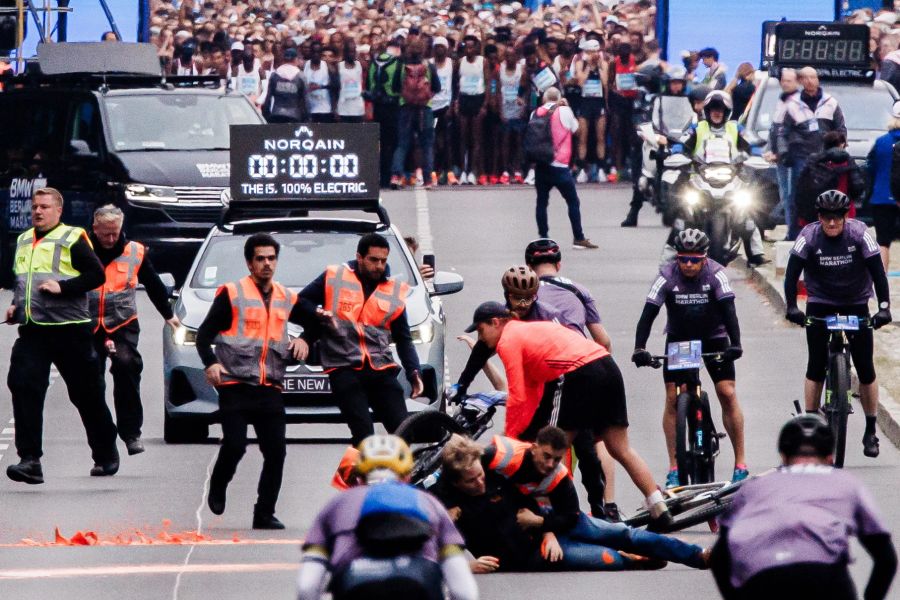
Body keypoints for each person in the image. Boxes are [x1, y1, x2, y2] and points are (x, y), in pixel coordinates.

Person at [463, 302, 674, 528]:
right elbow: (533, 393)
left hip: (578, 373)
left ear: (496, 323)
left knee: (553, 446)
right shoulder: (527, 333)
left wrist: (511, 439)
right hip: (607, 366)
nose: (481, 338)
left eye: (481, 330)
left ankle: (563, 514)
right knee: (620, 448)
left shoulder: (508, 339)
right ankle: (659, 509)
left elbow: (517, 394)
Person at [435, 430, 712, 573]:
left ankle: (697, 556)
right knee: (609, 560)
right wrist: (465, 566)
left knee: (623, 534)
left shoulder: (505, 474)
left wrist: (546, 529)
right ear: (456, 482)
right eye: (471, 481)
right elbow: (428, 542)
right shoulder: (449, 503)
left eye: (481, 476)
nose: (480, 482)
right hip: (532, 557)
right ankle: (632, 560)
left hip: (559, 523)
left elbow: (552, 509)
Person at [710, 414, 897, 599]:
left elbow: (719, 558)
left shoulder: (753, 488)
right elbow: (886, 559)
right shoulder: (847, 484)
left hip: (764, 581)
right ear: (830, 458)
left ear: (783, 457)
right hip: (825, 581)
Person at [6, 188, 118, 484]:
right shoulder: (23, 239)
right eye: (34, 207)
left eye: (44, 207)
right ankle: (30, 460)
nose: (38, 212)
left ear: (58, 211)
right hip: (33, 330)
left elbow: (97, 275)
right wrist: (16, 306)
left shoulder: (72, 237)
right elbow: (22, 280)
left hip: (70, 331)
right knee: (23, 385)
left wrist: (63, 288)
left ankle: (105, 451)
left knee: (86, 394)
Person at [196, 233, 305, 529]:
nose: (267, 264)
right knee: (235, 444)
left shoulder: (285, 296)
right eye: (260, 259)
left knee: (276, 451)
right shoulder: (232, 294)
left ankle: (264, 512)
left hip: (270, 386)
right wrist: (211, 363)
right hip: (235, 385)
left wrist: (305, 340)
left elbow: (316, 321)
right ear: (249, 262)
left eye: (271, 258)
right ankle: (219, 483)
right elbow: (204, 337)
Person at [297, 434, 478, 600]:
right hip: (418, 583)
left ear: (359, 478)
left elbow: (307, 587)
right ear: (407, 476)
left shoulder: (337, 505)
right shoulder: (429, 503)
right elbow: (463, 591)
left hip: (356, 583)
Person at [632, 229, 748, 487]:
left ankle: (741, 463)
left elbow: (730, 311)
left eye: (695, 260)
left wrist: (736, 344)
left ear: (705, 258)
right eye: (683, 259)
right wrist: (640, 347)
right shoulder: (666, 276)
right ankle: (674, 468)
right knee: (673, 398)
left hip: (714, 337)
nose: (688, 265)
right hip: (680, 340)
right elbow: (648, 313)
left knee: (726, 392)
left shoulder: (717, 274)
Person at [784, 190, 892, 458]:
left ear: (846, 216)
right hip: (821, 301)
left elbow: (878, 273)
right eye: (826, 218)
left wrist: (884, 308)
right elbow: (790, 275)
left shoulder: (859, 234)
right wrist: (791, 306)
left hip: (855, 301)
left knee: (866, 368)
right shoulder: (808, 236)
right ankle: (810, 423)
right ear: (819, 217)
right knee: (815, 364)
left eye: (837, 218)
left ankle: (870, 430)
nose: (832, 224)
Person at [295, 233, 423, 454]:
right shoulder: (336, 277)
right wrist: (316, 317)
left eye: (383, 261)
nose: (379, 266)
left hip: (380, 367)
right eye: (373, 260)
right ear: (359, 257)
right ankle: (358, 482)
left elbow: (403, 339)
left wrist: (414, 372)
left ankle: (394, 480)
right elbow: (297, 305)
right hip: (344, 367)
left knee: (404, 432)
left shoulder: (393, 290)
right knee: (364, 435)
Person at [88, 205, 180, 456]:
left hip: (122, 323)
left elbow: (153, 283)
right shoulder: (80, 248)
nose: (109, 239)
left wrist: (169, 315)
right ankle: (102, 446)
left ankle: (131, 433)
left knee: (127, 365)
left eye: (114, 233)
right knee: (89, 381)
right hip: (88, 323)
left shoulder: (135, 251)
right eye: (104, 234)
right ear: (95, 229)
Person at [772, 67, 847, 240]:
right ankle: (795, 235)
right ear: (800, 81)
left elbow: (841, 128)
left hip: (827, 158)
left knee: (830, 196)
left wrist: (840, 150)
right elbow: (782, 132)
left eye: (813, 77)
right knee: (797, 197)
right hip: (801, 158)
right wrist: (784, 153)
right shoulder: (792, 105)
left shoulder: (831, 102)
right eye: (805, 78)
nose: (810, 81)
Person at [531, 87, 598, 250]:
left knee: (542, 202)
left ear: (544, 99)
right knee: (572, 201)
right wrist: (567, 107)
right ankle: (579, 237)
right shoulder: (565, 111)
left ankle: (543, 237)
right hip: (560, 166)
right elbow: (577, 130)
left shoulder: (535, 113)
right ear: (559, 98)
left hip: (541, 165)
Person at [390, 40, 441, 189]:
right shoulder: (429, 66)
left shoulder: (401, 66)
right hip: (425, 109)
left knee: (402, 144)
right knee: (427, 145)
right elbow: (437, 86)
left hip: (405, 108)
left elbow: (394, 87)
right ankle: (428, 179)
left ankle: (396, 176)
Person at [796, 131, 864, 228]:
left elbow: (801, 186)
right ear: (842, 144)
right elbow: (857, 186)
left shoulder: (814, 160)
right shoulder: (848, 162)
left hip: (816, 208)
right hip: (844, 207)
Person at [866, 101, 900, 269]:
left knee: (883, 241)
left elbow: (870, 166)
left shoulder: (881, 142)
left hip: (881, 197)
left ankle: (881, 279)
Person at [367, 40, 403, 187]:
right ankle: (388, 175)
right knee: (392, 142)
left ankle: (379, 175)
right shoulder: (398, 64)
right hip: (392, 106)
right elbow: (400, 86)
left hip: (377, 106)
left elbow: (369, 85)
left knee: (379, 142)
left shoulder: (374, 63)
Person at [573, 39, 609, 184]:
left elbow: (605, 82)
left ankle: (601, 169)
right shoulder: (580, 64)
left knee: (600, 136)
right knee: (583, 137)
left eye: (596, 51)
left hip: (598, 102)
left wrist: (599, 66)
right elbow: (580, 82)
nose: (593, 54)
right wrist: (588, 66)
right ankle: (582, 169)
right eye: (590, 52)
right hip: (585, 103)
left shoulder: (603, 64)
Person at [455, 35, 489, 185]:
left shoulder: (483, 62)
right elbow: (456, 84)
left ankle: (473, 171)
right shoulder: (460, 62)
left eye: (471, 47)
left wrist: (484, 105)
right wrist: (456, 102)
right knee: (463, 137)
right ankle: (463, 170)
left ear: (476, 48)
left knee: (476, 138)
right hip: (464, 99)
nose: (469, 50)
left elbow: (488, 84)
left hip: (478, 99)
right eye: (466, 47)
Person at [430, 37, 457, 185]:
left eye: (442, 47)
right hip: (431, 106)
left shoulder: (451, 64)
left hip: (445, 106)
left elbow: (455, 85)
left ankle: (449, 172)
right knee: (433, 141)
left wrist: (452, 104)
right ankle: (433, 171)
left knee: (447, 141)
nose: (440, 49)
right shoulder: (428, 64)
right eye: (437, 47)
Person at [260, 48, 307, 123]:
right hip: (294, 115)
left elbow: (268, 97)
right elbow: (305, 99)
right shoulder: (300, 76)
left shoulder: (275, 75)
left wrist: (266, 114)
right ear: (295, 59)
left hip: (277, 113)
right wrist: (307, 117)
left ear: (283, 59)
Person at [304, 42, 338, 123]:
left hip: (325, 109)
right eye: (314, 52)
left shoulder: (328, 67)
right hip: (309, 109)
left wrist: (320, 87)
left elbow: (336, 86)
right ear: (310, 52)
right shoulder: (305, 65)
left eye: (318, 52)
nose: (316, 54)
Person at [336, 41, 365, 124]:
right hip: (343, 107)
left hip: (358, 107)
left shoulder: (360, 65)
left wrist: (358, 56)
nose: (351, 54)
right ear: (345, 52)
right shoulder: (339, 66)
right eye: (349, 51)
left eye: (353, 51)